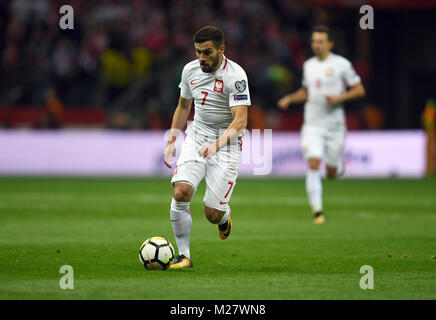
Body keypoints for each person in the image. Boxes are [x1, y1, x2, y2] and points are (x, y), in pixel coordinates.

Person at [163, 26, 251, 268]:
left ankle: (224, 218)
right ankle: (184, 256)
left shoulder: (236, 76)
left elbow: (241, 120)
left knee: (212, 214)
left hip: (227, 144)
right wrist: (171, 141)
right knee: (181, 192)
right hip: (197, 137)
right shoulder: (189, 71)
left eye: (207, 52)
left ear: (222, 50)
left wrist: (216, 145)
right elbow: (183, 107)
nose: (201, 58)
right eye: (198, 52)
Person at [277, 25, 365, 224]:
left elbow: (359, 90)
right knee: (314, 162)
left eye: (320, 42)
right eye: (314, 41)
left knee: (332, 173)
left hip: (334, 126)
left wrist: (339, 97)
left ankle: (337, 167)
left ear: (330, 44)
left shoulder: (342, 64)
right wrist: (290, 98)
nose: (316, 45)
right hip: (312, 124)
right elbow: (306, 92)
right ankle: (317, 210)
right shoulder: (308, 65)